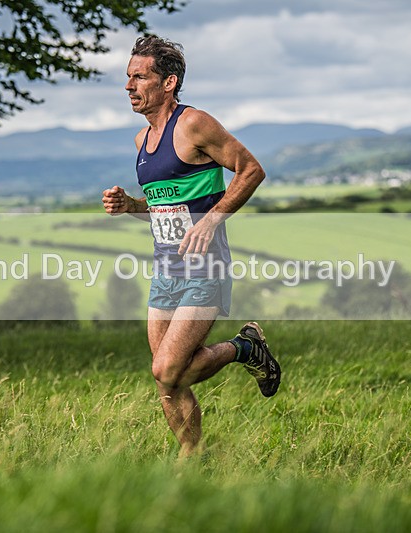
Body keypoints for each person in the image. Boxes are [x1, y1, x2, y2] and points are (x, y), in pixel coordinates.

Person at [102, 35, 281, 458]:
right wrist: (131, 206)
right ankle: (191, 459)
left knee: (168, 369)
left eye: (139, 77)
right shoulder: (141, 142)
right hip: (165, 270)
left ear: (168, 82)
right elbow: (168, 208)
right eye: (127, 77)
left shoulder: (193, 124)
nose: (128, 86)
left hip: (206, 267)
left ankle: (245, 348)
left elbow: (251, 170)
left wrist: (214, 218)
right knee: (166, 381)